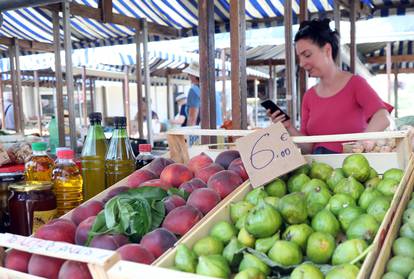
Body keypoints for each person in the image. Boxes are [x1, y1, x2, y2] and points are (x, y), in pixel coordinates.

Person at [268, 18, 391, 154]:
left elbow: (382, 117)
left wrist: (363, 143)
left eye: (307, 55)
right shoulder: (309, 96)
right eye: (299, 57)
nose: (302, 63)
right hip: (318, 172)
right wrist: (289, 127)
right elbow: (308, 148)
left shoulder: (356, 84)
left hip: (352, 170)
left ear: (327, 50)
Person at [182, 62, 201, 126]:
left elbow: (192, 119)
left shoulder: (194, 90)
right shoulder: (213, 90)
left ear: (194, 75)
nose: (189, 76)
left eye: (189, 74)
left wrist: (188, 135)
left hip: (202, 132)